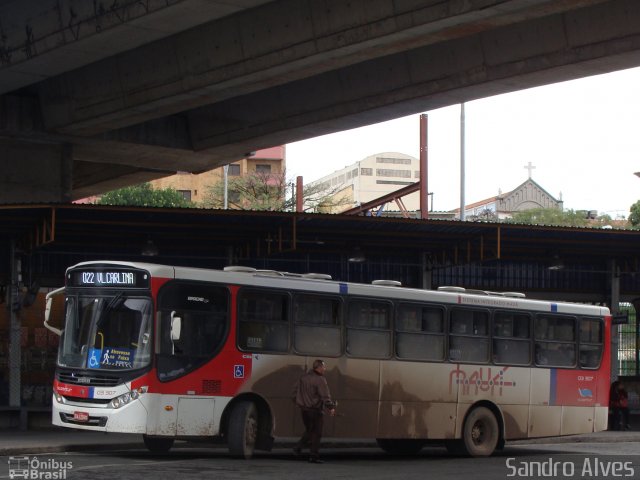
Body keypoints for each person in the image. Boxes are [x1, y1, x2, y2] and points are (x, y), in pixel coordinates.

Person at [292, 359, 336, 463]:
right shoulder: (320, 379)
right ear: (319, 368)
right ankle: (313, 456)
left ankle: (298, 448)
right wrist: (331, 407)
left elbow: (294, 392)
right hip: (315, 410)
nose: (325, 369)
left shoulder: (303, 377)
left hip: (304, 411)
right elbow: (325, 396)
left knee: (310, 431)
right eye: (324, 367)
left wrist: (300, 403)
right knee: (317, 433)